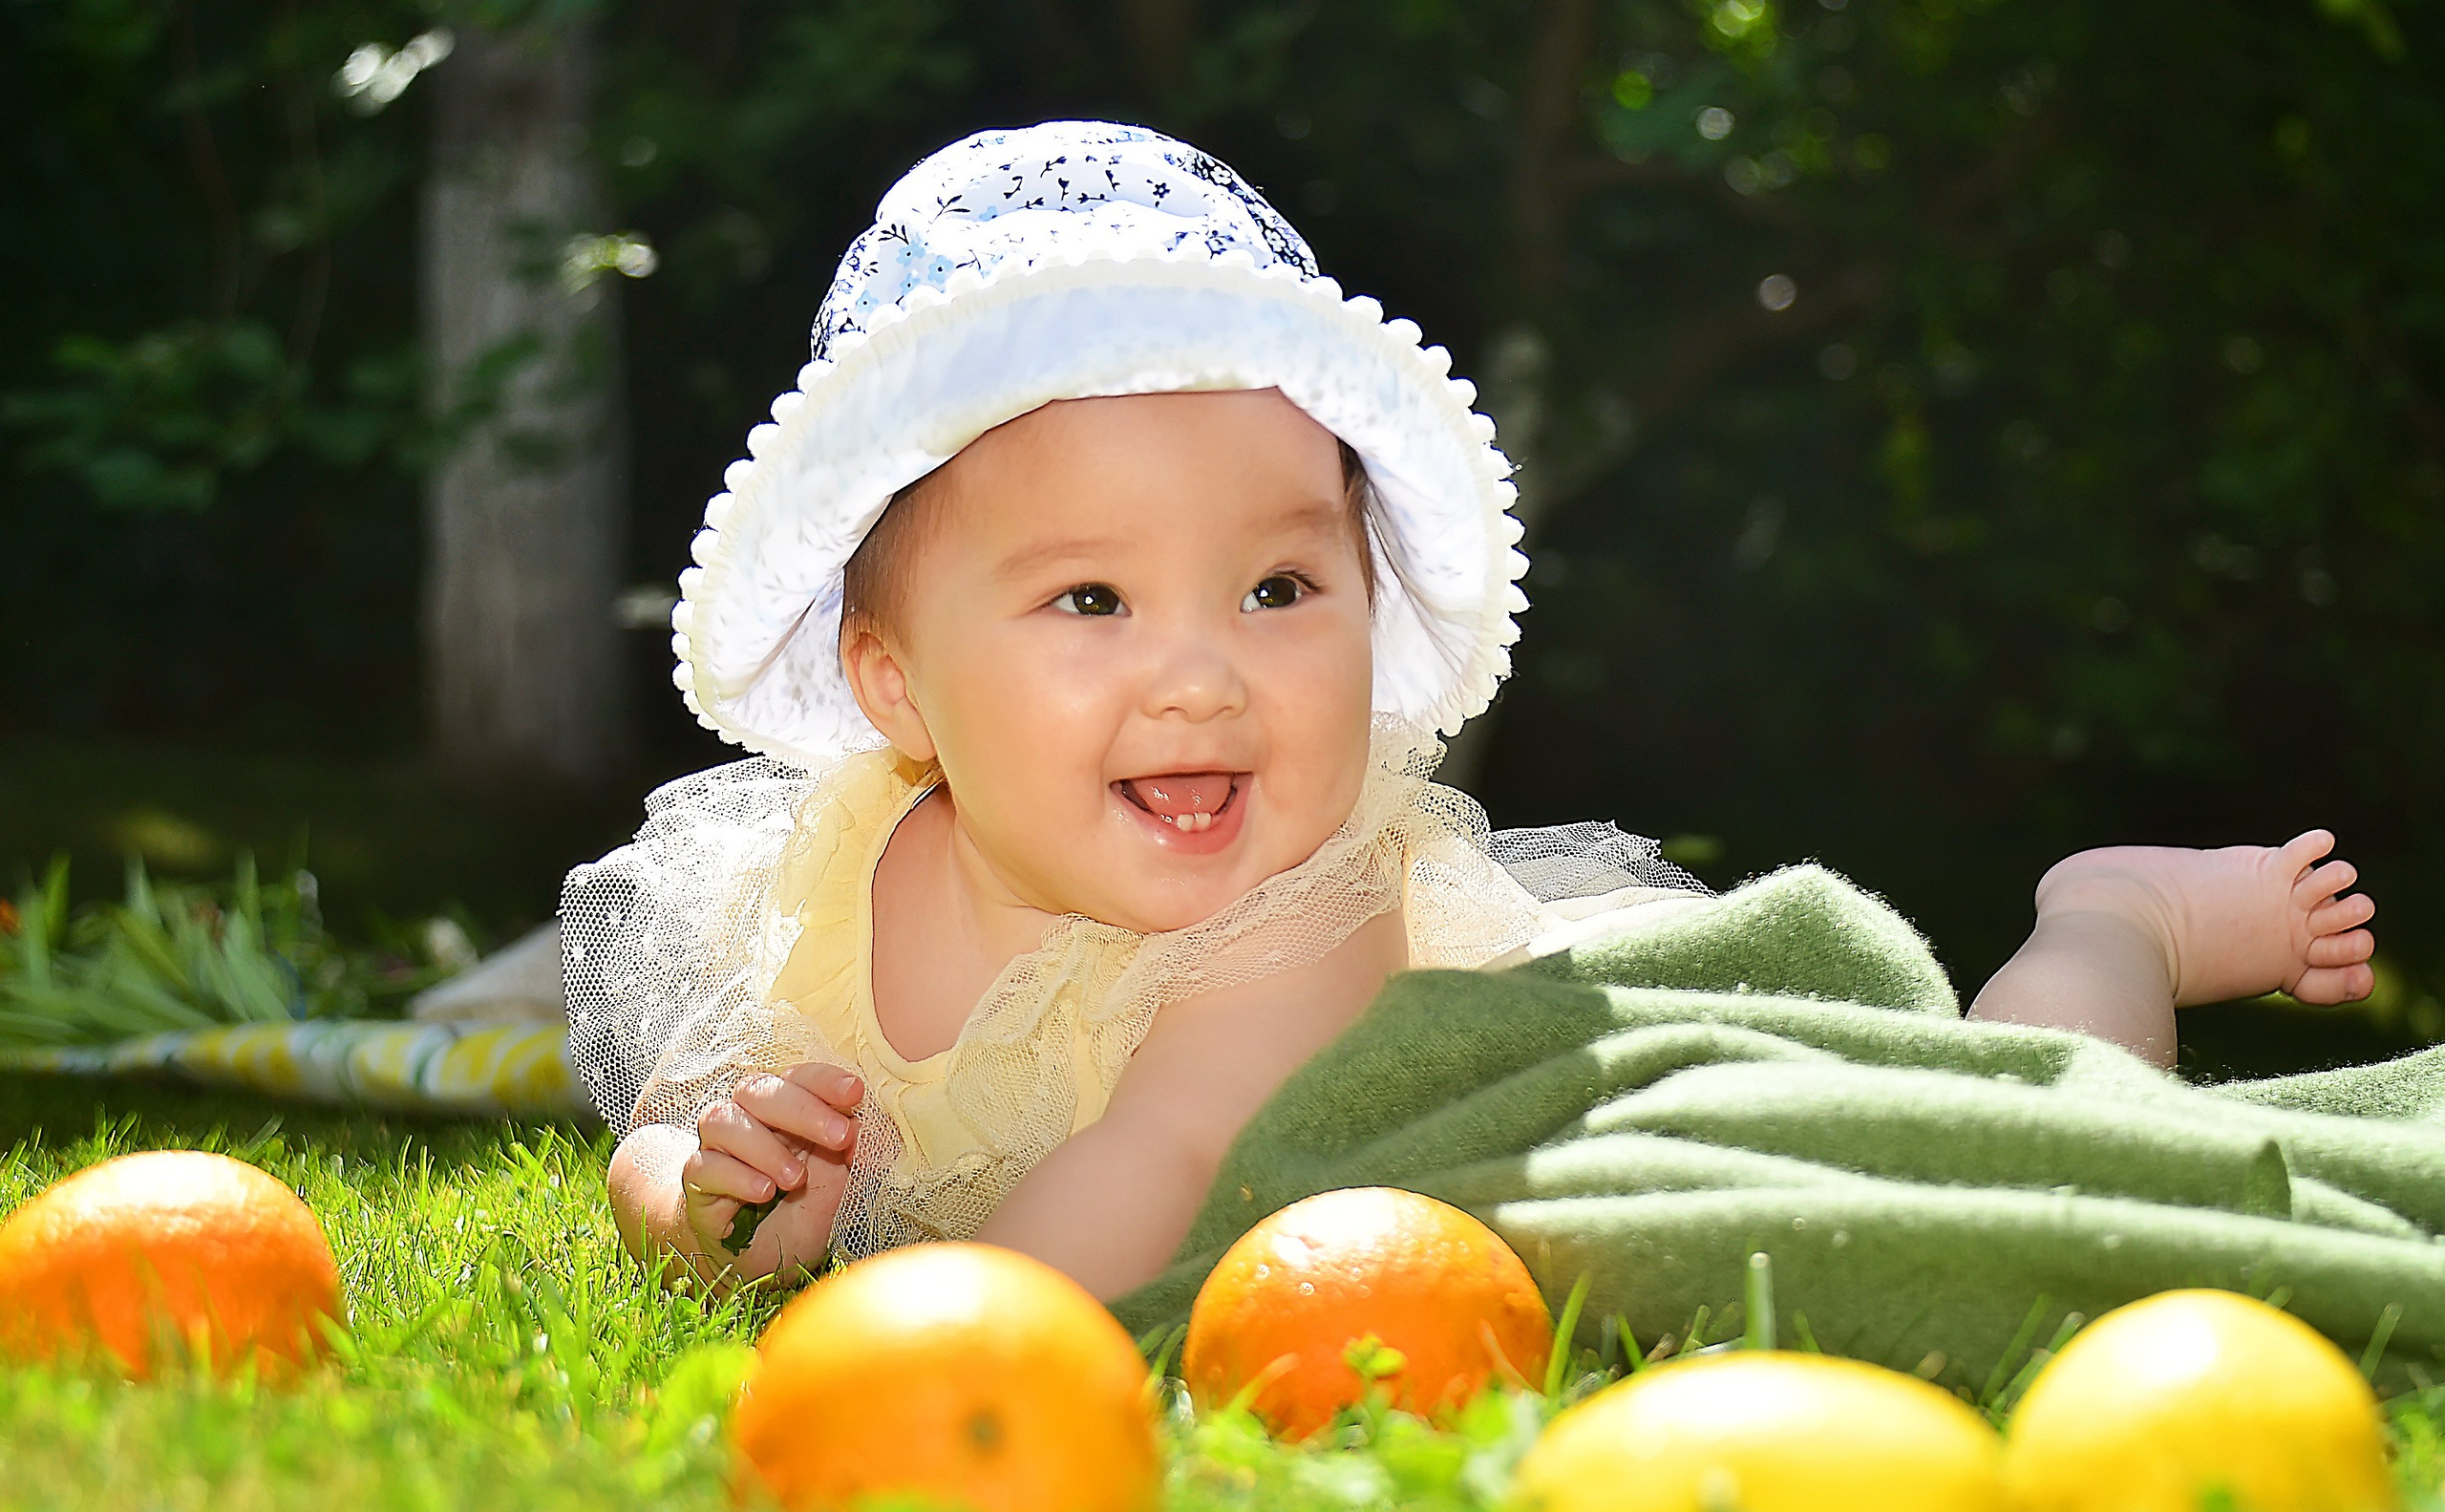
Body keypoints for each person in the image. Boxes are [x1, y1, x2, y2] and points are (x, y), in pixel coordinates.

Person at [564, 121, 2375, 1301]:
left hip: (1556, 1097)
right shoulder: (823, 867)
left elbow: (1165, 1164)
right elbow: (678, 1120)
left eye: (1280, 590)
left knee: (2033, 1144)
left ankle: (2108, 920)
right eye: (1092, 600)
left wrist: (906, 1341)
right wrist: (717, 1203)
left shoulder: (1298, 912)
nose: (1204, 672)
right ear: (897, 685)